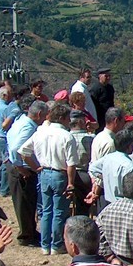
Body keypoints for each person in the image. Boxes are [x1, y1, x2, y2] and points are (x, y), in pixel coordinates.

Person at [19, 102, 79, 255]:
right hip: (60, 173)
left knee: (46, 211)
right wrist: (71, 183)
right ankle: (57, 244)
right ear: (63, 118)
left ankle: (45, 244)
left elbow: (23, 152)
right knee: (59, 211)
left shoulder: (40, 132)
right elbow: (71, 164)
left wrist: (36, 168)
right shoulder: (67, 136)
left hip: (45, 173)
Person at [6, 98, 47, 246]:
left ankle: (30, 231)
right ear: (39, 114)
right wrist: (20, 167)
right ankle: (26, 236)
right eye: (44, 116)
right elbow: (15, 148)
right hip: (22, 170)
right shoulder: (28, 127)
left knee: (28, 203)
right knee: (24, 203)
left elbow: (9, 140)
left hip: (19, 167)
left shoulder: (20, 122)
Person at [87, 128, 133, 211]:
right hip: (123, 205)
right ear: (129, 146)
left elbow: (92, 168)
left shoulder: (108, 158)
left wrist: (105, 177)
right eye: (132, 145)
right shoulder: (129, 165)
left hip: (108, 202)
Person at [0, 85, 20, 197]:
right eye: (10, 93)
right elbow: (7, 124)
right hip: (4, 138)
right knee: (6, 164)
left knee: (2, 163)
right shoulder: (4, 108)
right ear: (4, 95)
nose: (12, 95)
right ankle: (4, 189)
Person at [88, 67, 115, 132]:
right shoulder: (96, 89)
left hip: (110, 116)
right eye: (106, 76)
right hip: (100, 118)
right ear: (100, 76)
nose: (108, 78)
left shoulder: (110, 88)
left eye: (109, 76)